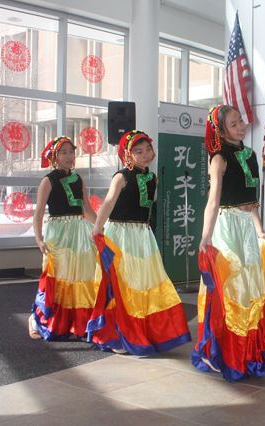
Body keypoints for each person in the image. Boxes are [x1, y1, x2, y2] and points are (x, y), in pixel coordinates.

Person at [191, 105, 265, 382]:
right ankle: (220, 351)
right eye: (233, 124)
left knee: (251, 287)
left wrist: (260, 230)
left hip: (245, 227)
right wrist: (206, 237)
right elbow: (213, 201)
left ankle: (247, 351)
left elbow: (252, 199)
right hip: (227, 226)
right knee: (230, 289)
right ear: (220, 130)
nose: (241, 126)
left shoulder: (250, 155)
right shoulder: (219, 158)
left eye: (241, 121)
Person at [87, 130, 191, 355]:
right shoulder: (121, 177)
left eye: (147, 150)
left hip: (143, 236)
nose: (145, 154)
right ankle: (118, 335)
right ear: (128, 155)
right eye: (138, 151)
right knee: (124, 283)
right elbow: (108, 203)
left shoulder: (153, 178)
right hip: (121, 236)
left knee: (147, 281)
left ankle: (147, 331)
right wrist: (97, 227)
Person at [29, 136, 99, 340]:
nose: (69, 156)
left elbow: (87, 208)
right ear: (54, 156)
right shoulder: (47, 181)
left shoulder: (78, 179)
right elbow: (39, 213)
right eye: (64, 152)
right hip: (58, 234)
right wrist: (39, 239)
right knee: (59, 278)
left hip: (80, 233)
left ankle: (78, 322)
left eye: (71, 152)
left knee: (81, 277)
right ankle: (41, 319)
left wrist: (101, 227)